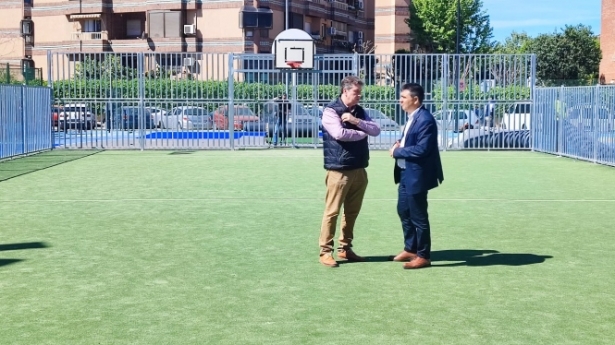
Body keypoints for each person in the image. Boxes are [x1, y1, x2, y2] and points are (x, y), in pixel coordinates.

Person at [318, 75, 381, 268]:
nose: (359, 96)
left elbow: (376, 130)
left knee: (352, 212)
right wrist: (362, 133)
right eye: (356, 92)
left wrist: (356, 121)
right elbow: (339, 134)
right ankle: (325, 251)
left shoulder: (359, 111)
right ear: (345, 91)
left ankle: (345, 248)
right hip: (339, 170)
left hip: (359, 168)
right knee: (332, 212)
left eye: (360, 92)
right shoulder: (330, 111)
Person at [389, 83, 444, 269]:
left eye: (403, 97)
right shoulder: (413, 117)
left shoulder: (425, 119)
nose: (400, 100)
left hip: (417, 175)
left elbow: (422, 149)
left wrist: (398, 151)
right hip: (405, 173)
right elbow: (411, 140)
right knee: (403, 211)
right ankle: (410, 248)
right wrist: (400, 142)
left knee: (418, 216)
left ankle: (423, 255)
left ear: (415, 100)